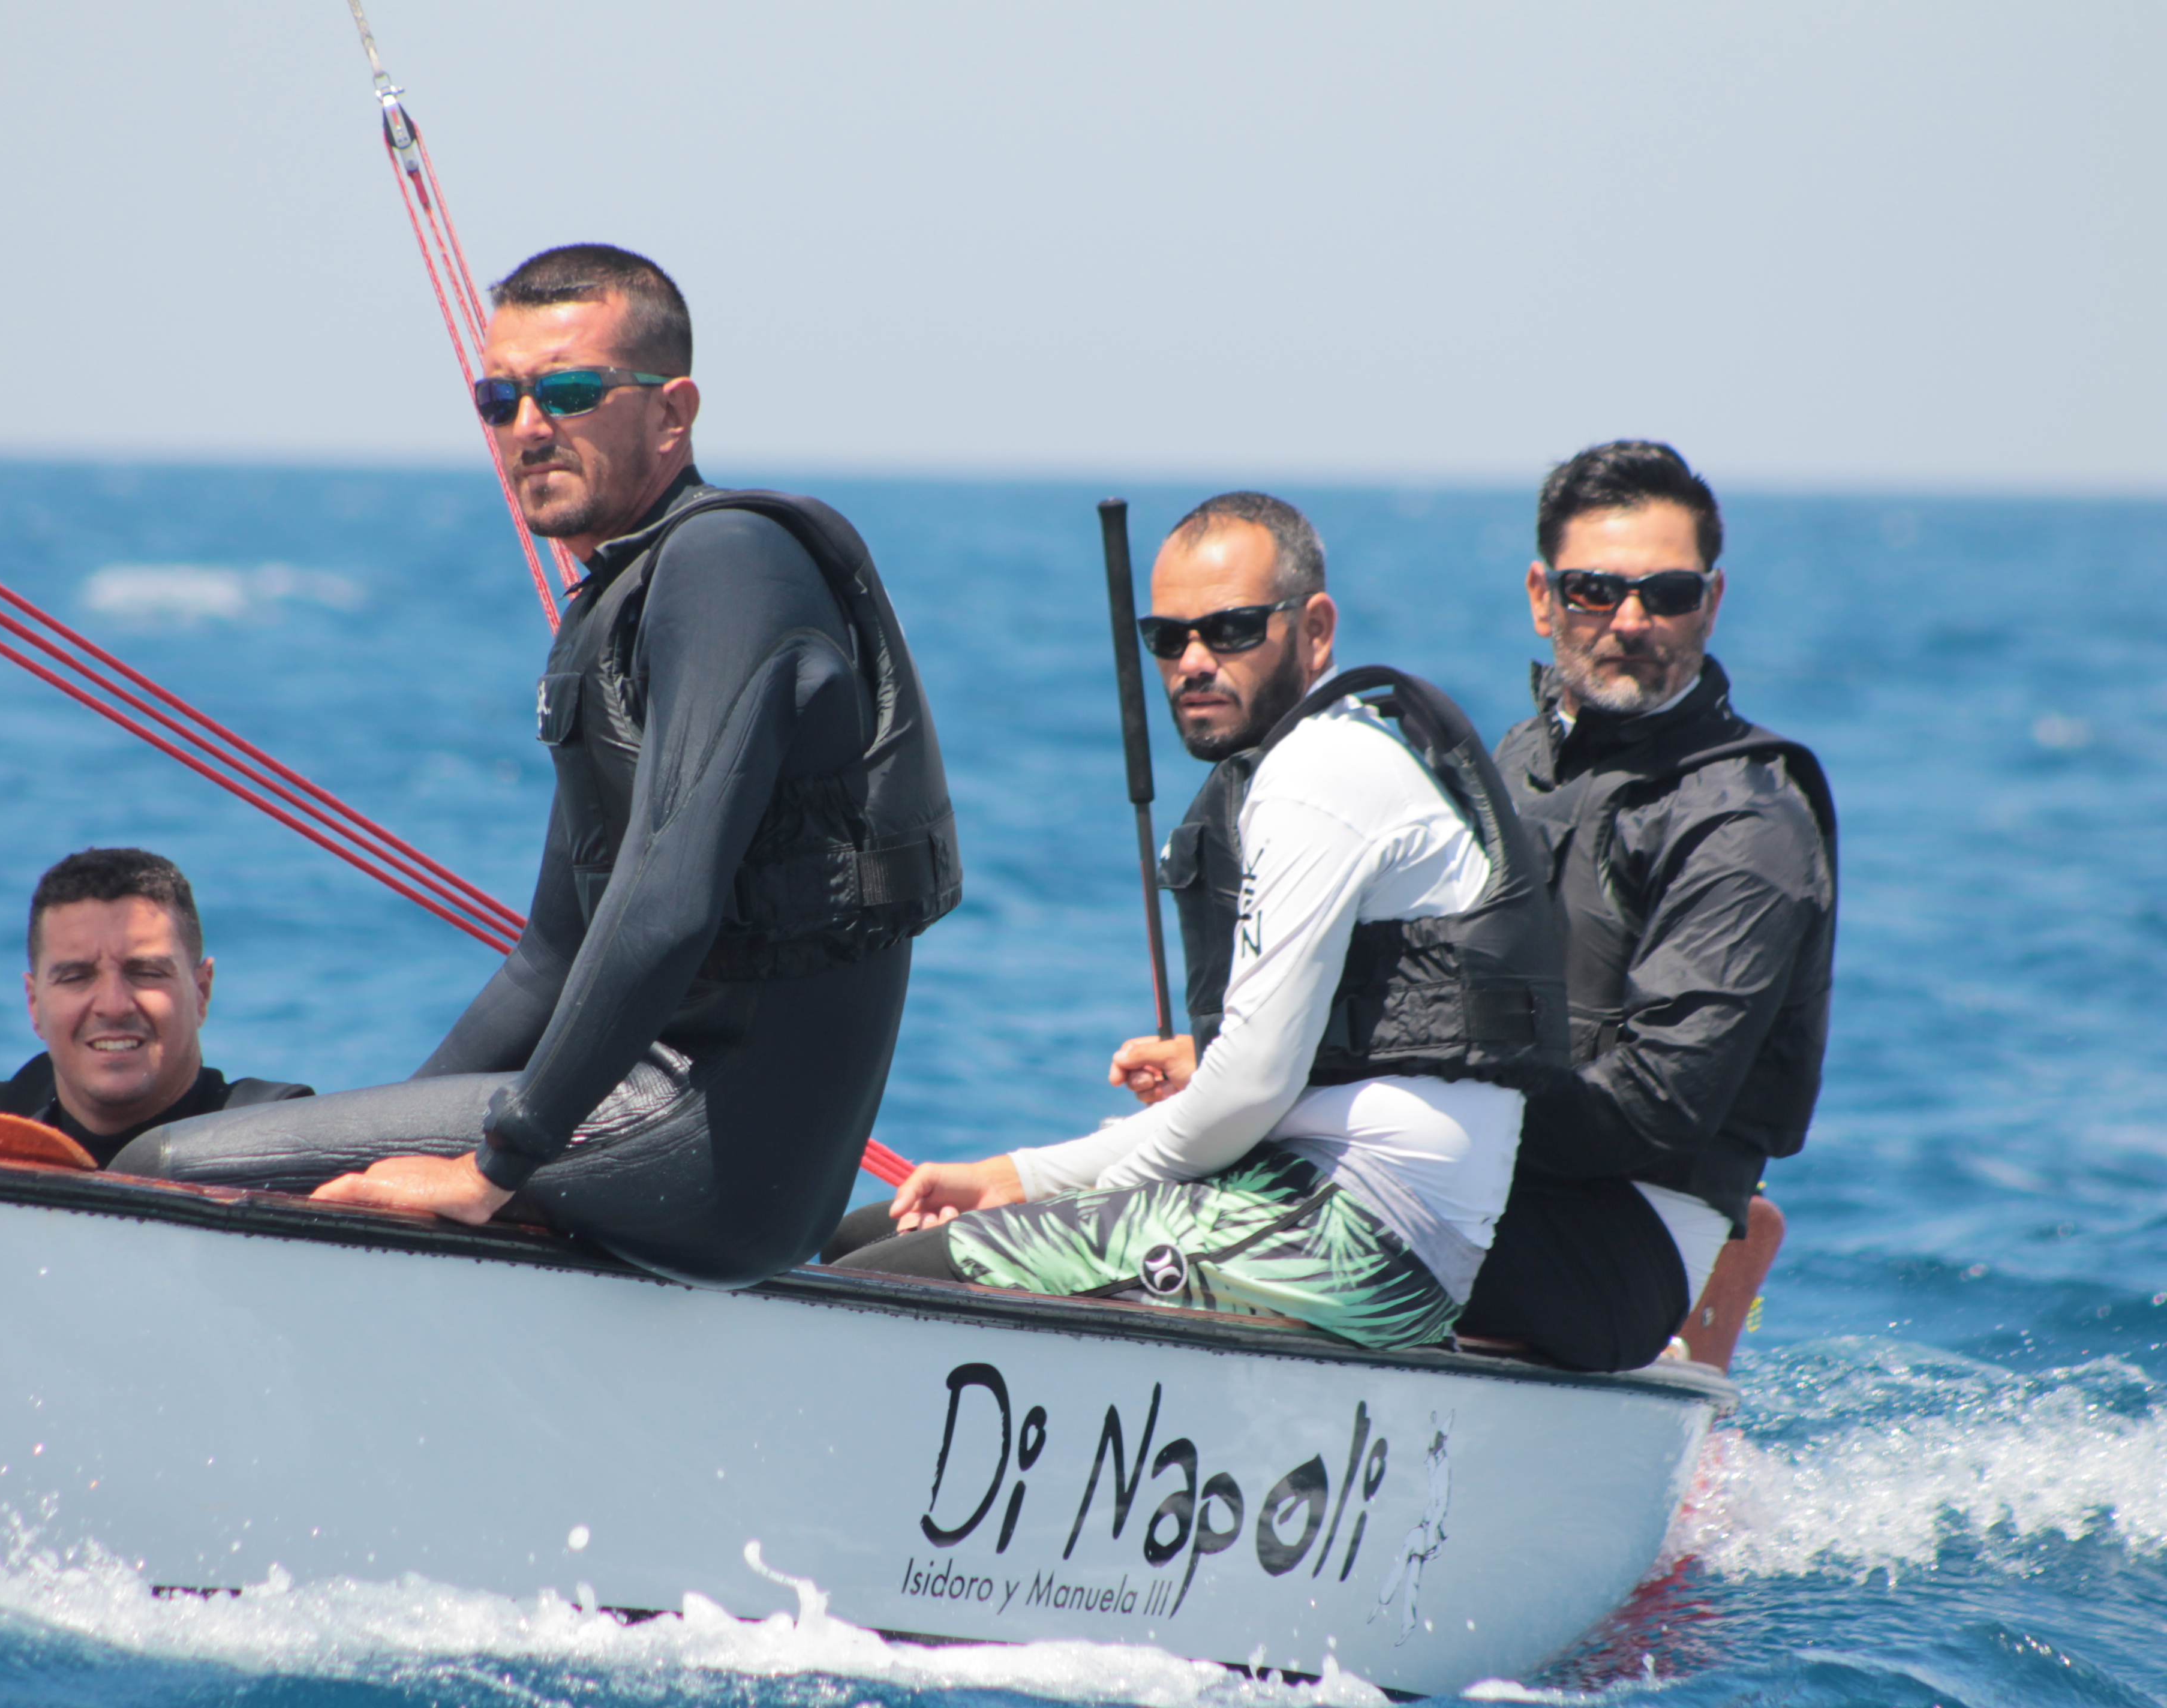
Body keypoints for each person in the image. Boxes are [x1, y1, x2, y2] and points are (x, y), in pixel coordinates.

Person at [116, 245, 961, 1289]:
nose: (527, 427)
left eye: (567, 393)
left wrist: (492, 1168)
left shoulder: (729, 565)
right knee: (267, 1166)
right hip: (657, 1127)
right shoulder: (621, 599)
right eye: (498, 398)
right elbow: (549, 958)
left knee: (155, 1168)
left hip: (716, 1159)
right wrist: (383, 1156)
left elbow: (666, 904)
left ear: (673, 412)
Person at [828, 494, 1565, 1350]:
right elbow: (1244, 1095)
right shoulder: (1319, 755)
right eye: (1169, 639)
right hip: (1301, 1194)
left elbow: (1247, 1090)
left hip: (1369, 1244)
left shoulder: (1321, 771)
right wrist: (1014, 1177)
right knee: (862, 1239)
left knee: (887, 1278)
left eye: (1233, 630)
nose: (1194, 662)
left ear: (1316, 629)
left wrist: (1070, 1197)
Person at [1454, 441, 1836, 1372]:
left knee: (1298, 1239)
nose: (1631, 622)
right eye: (1594, 591)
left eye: (1666, 594)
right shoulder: (1515, 763)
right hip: (1481, 1173)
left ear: (1710, 602)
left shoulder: (1748, 821)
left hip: (1626, 1231)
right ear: (1543, 597)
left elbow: (1655, 1104)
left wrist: (1400, 1098)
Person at [0, 847, 311, 1168]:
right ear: (35, 1003)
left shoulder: (288, 1142)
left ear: (201, 991)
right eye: (76, 977)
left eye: (146, 973)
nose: (113, 1006)